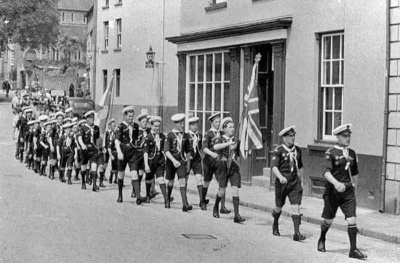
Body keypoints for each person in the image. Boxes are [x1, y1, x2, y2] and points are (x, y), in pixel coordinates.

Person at [317, 124, 367, 259]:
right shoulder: (330, 153)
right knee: (328, 219)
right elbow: (326, 172)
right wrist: (336, 183)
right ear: (338, 137)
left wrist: (355, 185)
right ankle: (322, 238)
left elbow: (355, 172)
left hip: (348, 191)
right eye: (345, 136)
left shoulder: (352, 153)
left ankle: (353, 250)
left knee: (352, 219)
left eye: (349, 135)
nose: (348, 138)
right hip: (333, 192)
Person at [271, 126, 305, 241]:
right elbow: (274, 167)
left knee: (296, 206)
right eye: (290, 136)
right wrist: (280, 177)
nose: (293, 138)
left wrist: (301, 180)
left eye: (294, 135)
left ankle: (296, 233)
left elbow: (300, 166)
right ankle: (275, 224)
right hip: (282, 181)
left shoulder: (297, 150)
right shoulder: (279, 150)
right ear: (284, 138)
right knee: (279, 206)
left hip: (294, 181)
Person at [212, 117, 245, 223]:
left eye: (233, 127)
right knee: (222, 190)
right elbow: (216, 147)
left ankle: (237, 215)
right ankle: (216, 205)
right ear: (224, 129)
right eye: (230, 127)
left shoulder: (236, 140)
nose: (232, 129)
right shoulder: (220, 138)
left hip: (233, 167)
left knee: (235, 189)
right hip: (222, 167)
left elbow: (239, 154)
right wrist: (228, 144)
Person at [114, 106, 146, 204]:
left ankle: (138, 196)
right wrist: (119, 152)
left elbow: (136, 139)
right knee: (121, 174)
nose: (131, 118)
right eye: (129, 116)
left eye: (132, 116)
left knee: (134, 174)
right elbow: (116, 140)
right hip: (123, 152)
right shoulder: (120, 126)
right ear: (125, 116)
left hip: (133, 152)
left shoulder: (136, 126)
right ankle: (120, 194)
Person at [164, 113, 192, 212]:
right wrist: (174, 161)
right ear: (175, 124)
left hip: (181, 161)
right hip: (171, 162)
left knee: (182, 181)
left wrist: (188, 163)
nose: (182, 125)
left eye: (182, 123)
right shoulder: (170, 135)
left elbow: (188, 150)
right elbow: (166, 151)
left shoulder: (185, 135)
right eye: (180, 123)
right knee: (171, 181)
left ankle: (185, 204)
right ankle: (167, 199)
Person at [202, 113, 226, 212]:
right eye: (216, 122)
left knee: (222, 184)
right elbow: (204, 148)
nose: (218, 124)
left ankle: (222, 206)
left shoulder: (222, 134)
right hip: (209, 161)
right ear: (212, 123)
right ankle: (203, 201)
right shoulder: (208, 134)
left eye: (219, 122)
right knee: (207, 181)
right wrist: (212, 153)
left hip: (219, 162)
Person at [143, 116, 169, 206]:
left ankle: (166, 200)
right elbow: (145, 152)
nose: (157, 128)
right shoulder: (148, 137)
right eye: (155, 126)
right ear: (151, 125)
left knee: (161, 179)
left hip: (160, 161)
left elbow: (164, 149)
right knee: (149, 179)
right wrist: (146, 165)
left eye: (158, 126)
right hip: (150, 161)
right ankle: (147, 195)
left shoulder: (162, 136)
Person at [77, 110, 100, 191]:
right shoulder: (83, 128)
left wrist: (98, 148)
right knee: (83, 167)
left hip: (93, 150)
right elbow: (79, 138)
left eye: (93, 117)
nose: (92, 119)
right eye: (90, 118)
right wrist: (82, 145)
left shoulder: (96, 128)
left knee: (94, 166)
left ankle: (94, 185)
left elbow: (97, 139)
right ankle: (83, 181)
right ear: (87, 119)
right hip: (85, 150)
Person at [187, 116, 205, 208]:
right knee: (184, 180)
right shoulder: (185, 136)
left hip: (197, 161)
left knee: (199, 179)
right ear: (189, 126)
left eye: (196, 125)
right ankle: (185, 201)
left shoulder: (200, 136)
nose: (195, 127)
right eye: (193, 125)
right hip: (188, 161)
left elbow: (201, 148)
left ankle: (202, 201)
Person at [130, 113, 148, 199]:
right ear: (140, 122)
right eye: (143, 121)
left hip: (144, 155)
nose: (145, 123)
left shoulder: (148, 131)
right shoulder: (136, 131)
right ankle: (134, 190)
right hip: (136, 154)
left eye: (146, 121)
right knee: (135, 173)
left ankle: (138, 189)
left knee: (141, 173)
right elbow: (133, 142)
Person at [105, 119, 118, 184]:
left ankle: (116, 179)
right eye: (113, 125)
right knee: (106, 162)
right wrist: (104, 148)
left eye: (114, 125)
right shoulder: (107, 132)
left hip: (114, 150)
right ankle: (108, 176)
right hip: (108, 149)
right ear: (110, 126)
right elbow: (105, 141)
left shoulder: (116, 132)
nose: (114, 126)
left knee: (117, 165)